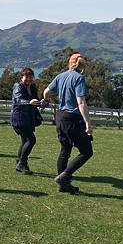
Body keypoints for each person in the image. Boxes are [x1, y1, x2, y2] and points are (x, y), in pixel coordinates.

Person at [42, 52, 93, 193]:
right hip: (73, 118)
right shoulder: (79, 78)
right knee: (87, 152)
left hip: (60, 117)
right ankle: (65, 177)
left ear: (69, 63)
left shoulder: (60, 76)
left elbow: (46, 91)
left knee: (65, 149)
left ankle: (62, 185)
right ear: (82, 65)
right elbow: (81, 102)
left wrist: (46, 100)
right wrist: (88, 123)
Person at [11, 67, 42, 174]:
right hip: (19, 118)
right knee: (31, 140)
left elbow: (35, 100)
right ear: (21, 77)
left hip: (28, 119)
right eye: (26, 77)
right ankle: (22, 163)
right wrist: (29, 102)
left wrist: (41, 103)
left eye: (31, 77)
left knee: (25, 141)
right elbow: (18, 100)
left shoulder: (32, 88)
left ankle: (20, 161)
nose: (29, 79)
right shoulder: (18, 87)